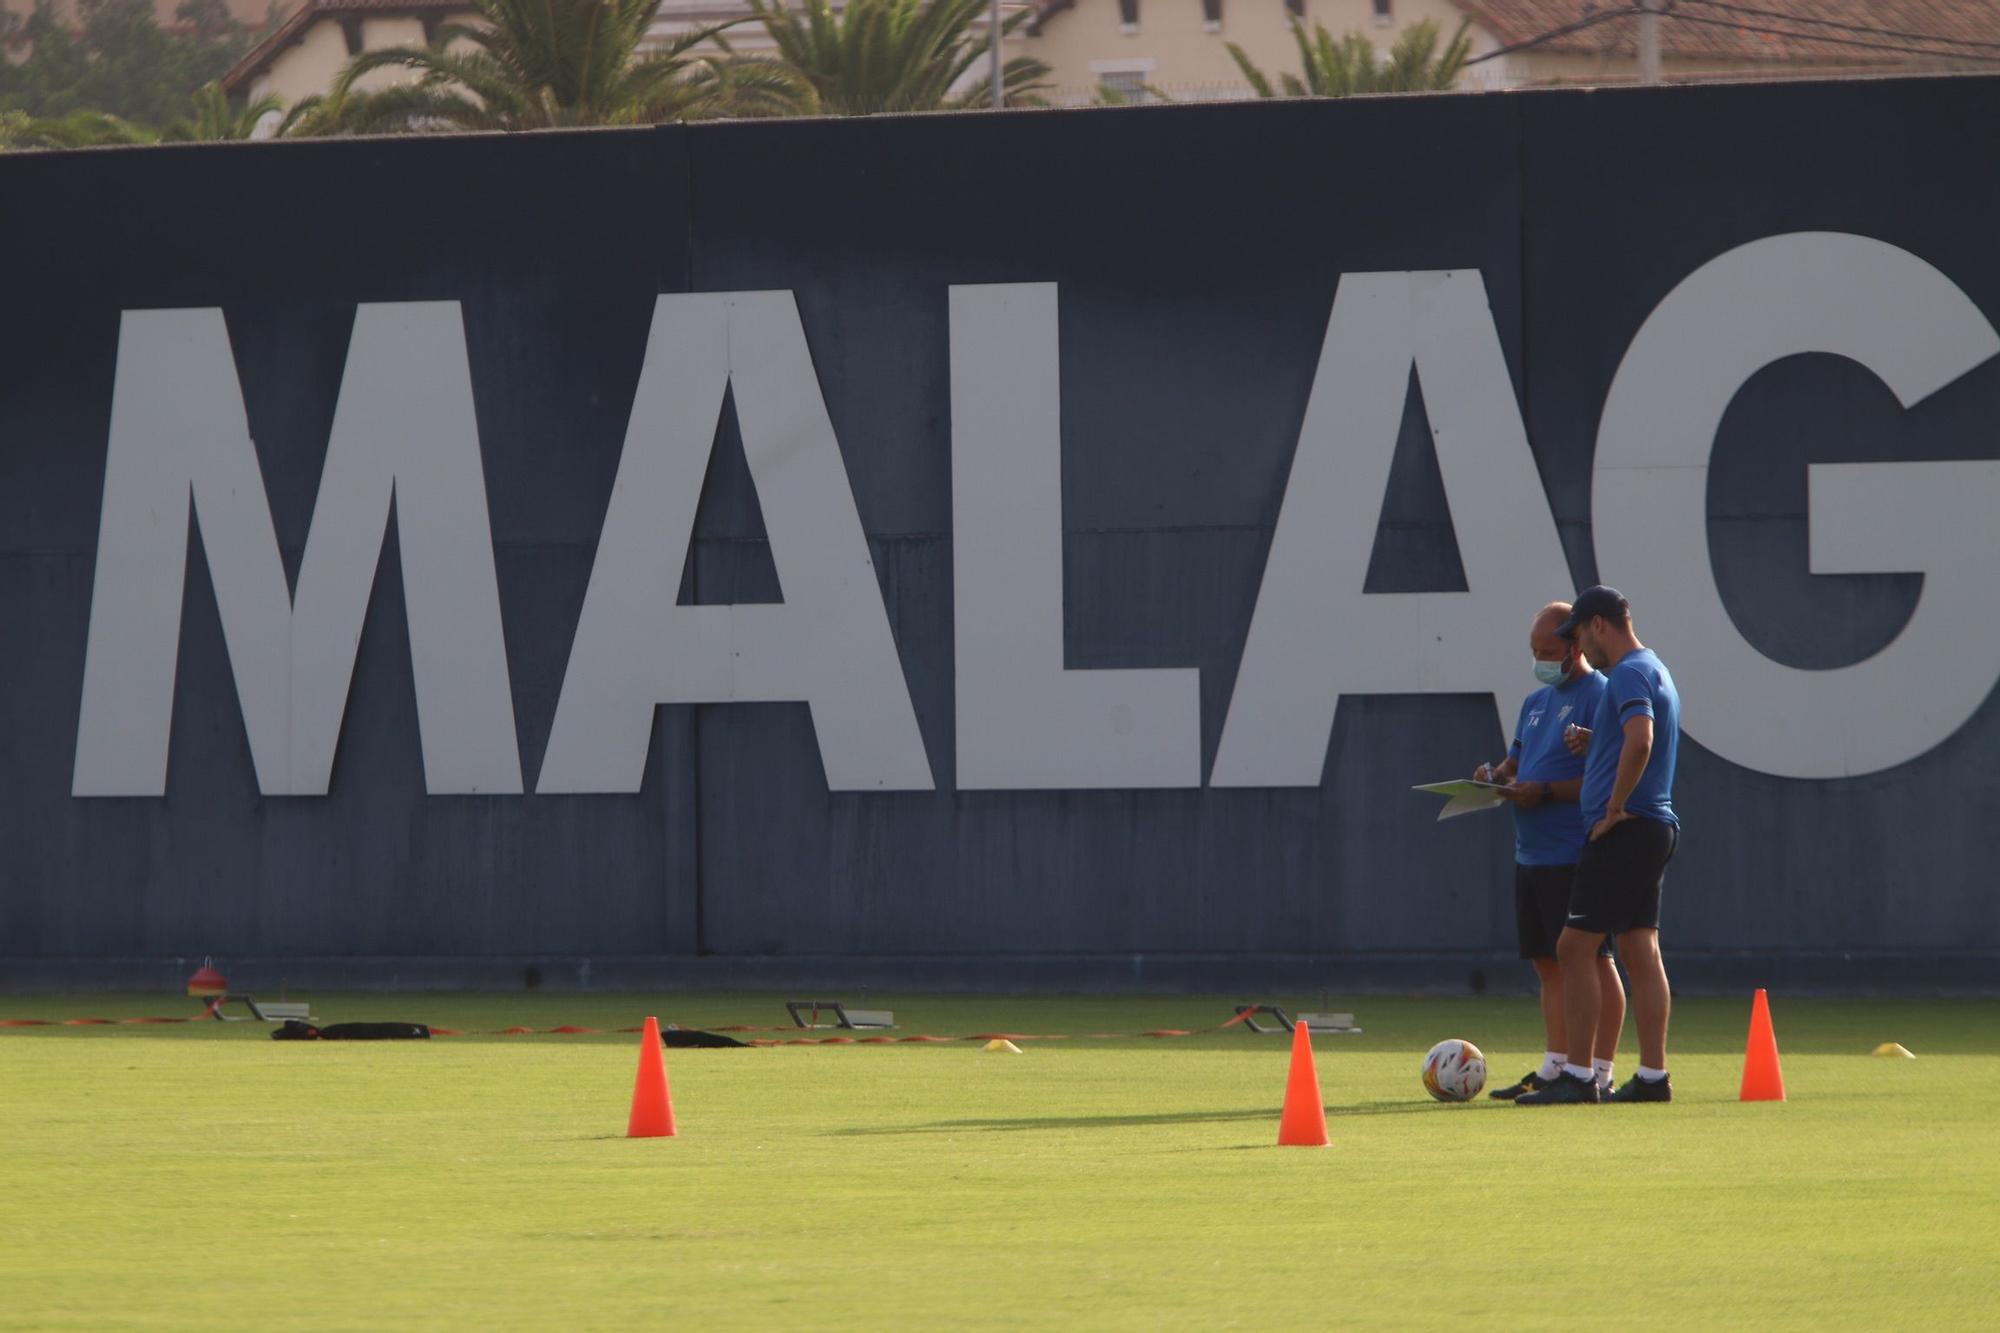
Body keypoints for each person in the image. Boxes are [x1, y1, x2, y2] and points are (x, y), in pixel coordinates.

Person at [1518, 585, 1681, 1106]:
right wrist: (1600, 744)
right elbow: (1630, 737)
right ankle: (1653, 1077)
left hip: (1627, 827)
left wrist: (1613, 807)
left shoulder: (1628, 672)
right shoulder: (1653, 666)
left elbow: (1642, 739)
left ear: (1597, 626)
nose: (1579, 650)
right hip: (1654, 823)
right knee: (1638, 948)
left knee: (1574, 947)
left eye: (1579, 637)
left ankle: (1580, 1075)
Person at [1474, 603, 1625, 1100]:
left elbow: (1602, 778)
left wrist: (1545, 791)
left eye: (1550, 651)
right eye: (1535, 651)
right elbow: (1515, 762)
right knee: (1546, 963)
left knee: (1594, 959)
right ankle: (1555, 1064)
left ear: (1576, 646)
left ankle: (1598, 1069)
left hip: (1572, 849)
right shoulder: (1535, 702)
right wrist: (1494, 778)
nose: (1540, 659)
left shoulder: (1599, 695)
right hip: (1531, 852)